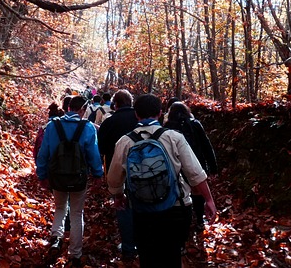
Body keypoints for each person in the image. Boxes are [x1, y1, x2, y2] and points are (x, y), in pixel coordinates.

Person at [107, 94, 217, 268]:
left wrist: (118, 196)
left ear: (136, 114)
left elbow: (113, 179)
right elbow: (195, 173)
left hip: (142, 209)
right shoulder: (174, 137)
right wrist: (209, 200)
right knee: (172, 255)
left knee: (147, 256)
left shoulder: (125, 142)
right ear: (160, 113)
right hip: (176, 207)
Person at [36, 96, 104, 266]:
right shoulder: (88, 128)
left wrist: (42, 175)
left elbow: (43, 153)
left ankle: (56, 238)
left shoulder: (53, 126)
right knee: (76, 213)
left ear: (68, 108)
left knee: (60, 208)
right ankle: (75, 253)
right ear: (83, 109)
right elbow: (93, 155)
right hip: (78, 178)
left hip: (57, 176)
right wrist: (98, 174)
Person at [97, 89, 139, 260]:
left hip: (117, 168)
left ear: (115, 104)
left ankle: (128, 247)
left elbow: (100, 147)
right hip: (143, 168)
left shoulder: (109, 121)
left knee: (122, 204)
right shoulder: (140, 119)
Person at [164, 101, 218, 232]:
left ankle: (184, 221)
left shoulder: (167, 127)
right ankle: (199, 219)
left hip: (177, 165)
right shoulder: (195, 124)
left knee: (181, 194)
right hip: (196, 163)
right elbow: (206, 146)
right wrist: (213, 167)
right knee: (197, 192)